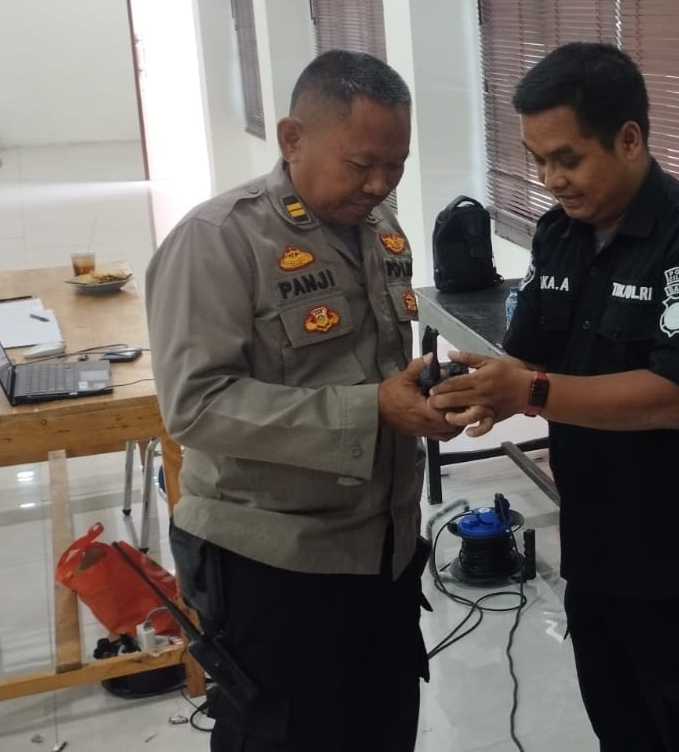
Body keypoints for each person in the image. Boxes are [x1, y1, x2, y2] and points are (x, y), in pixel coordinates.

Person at [427, 42, 679, 752]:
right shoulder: (560, 236)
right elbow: (530, 355)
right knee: (623, 732)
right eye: (537, 160)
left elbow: (671, 399)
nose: (551, 179)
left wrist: (528, 391)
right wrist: (485, 390)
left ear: (629, 139)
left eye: (568, 159)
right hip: (594, 550)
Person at [146, 50, 460, 752]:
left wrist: (428, 394)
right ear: (293, 138)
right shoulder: (219, 241)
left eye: (396, 165)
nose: (379, 184)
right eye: (362, 164)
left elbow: (376, 369)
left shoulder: (381, 229)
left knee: (381, 731)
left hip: (383, 553)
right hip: (276, 565)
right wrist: (372, 409)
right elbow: (195, 405)